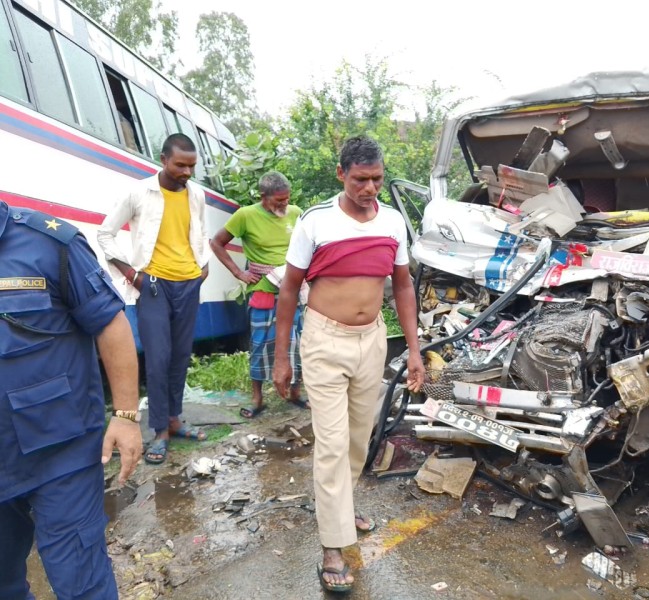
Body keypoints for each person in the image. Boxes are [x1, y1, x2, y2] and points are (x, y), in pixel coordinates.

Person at [273, 136, 425, 593]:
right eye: (361, 179)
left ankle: (341, 507)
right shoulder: (316, 222)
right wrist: (281, 357)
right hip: (324, 341)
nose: (370, 188)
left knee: (361, 438)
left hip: (371, 341)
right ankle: (332, 546)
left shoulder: (395, 222)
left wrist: (414, 350)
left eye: (377, 179)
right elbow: (288, 290)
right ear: (341, 174)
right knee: (333, 443)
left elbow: (402, 287)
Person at [0, 201, 142, 599]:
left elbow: (110, 323)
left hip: (61, 454)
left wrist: (126, 416)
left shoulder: (49, 242)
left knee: (81, 584)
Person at [97, 133, 210, 465]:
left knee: (180, 357)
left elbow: (200, 231)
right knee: (158, 359)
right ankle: (160, 430)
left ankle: (175, 419)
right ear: (163, 160)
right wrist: (132, 274)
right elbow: (105, 233)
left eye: (191, 166)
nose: (187, 172)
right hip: (154, 287)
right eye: (180, 165)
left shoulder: (197, 194)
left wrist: (204, 267)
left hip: (189, 284)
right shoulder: (139, 192)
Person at [209, 171, 308, 417]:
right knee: (260, 343)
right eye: (278, 200)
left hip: (293, 288)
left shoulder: (296, 213)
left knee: (298, 341)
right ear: (263, 197)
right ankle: (257, 398)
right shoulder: (245, 215)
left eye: (287, 199)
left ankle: (295, 392)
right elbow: (216, 242)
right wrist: (238, 273)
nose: (284, 204)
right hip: (263, 290)